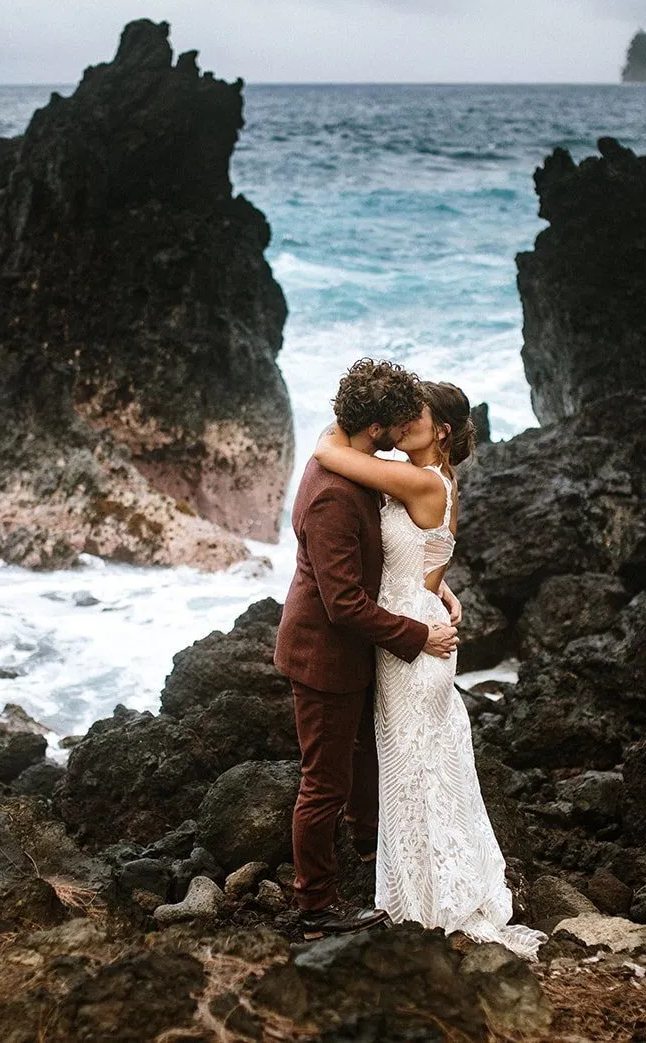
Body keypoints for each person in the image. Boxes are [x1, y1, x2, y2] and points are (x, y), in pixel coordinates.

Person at [312, 377, 546, 959]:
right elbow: (429, 558)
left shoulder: (418, 478)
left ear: (439, 430)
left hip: (413, 644)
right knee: (418, 767)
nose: (397, 423)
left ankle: (429, 900)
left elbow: (325, 450)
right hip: (415, 627)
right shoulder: (437, 478)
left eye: (410, 415)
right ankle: (422, 890)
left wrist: (352, 413)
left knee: (415, 768)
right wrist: (440, 593)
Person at [274, 358, 461, 940]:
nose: (405, 430)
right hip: (326, 654)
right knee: (322, 782)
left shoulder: (361, 468)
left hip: (360, 651)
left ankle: (370, 850)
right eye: (398, 421)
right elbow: (344, 606)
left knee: (362, 757)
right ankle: (315, 908)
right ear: (376, 429)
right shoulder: (335, 493)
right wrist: (420, 635)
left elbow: (409, 547)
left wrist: (437, 581)